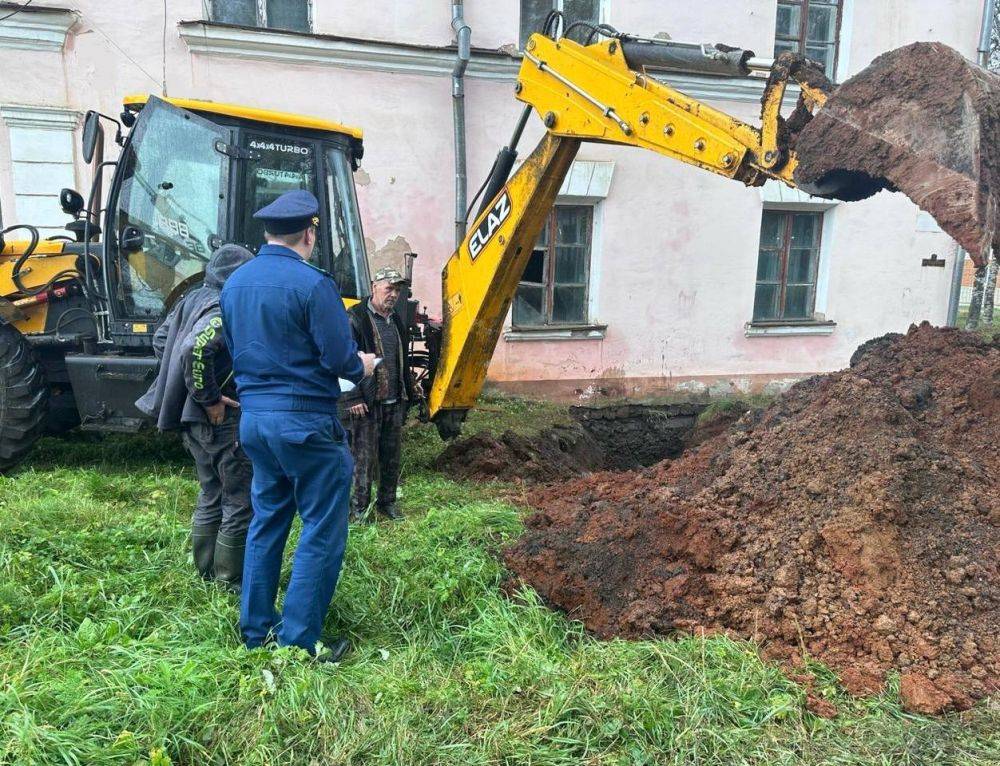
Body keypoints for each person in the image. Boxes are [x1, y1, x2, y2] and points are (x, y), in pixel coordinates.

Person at [221, 189, 376, 662]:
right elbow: (338, 358)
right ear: (309, 233)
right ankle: (300, 640)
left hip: (255, 423)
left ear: (267, 233)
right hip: (305, 422)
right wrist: (363, 365)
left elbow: (233, 348)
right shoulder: (314, 284)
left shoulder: (235, 283)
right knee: (321, 528)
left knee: (267, 522)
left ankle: (256, 631)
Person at [135, 245, 255, 592]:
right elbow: (193, 348)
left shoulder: (191, 298)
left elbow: (163, 341)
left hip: (193, 422)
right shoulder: (222, 305)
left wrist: (185, 385)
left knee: (211, 492)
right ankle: (229, 582)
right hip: (222, 420)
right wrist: (210, 396)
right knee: (238, 498)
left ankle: (204, 573)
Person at [340, 267, 416, 523]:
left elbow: (400, 360)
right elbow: (343, 361)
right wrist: (353, 398)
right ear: (374, 286)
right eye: (389, 288)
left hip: (394, 401)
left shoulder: (396, 321)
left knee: (391, 457)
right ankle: (359, 510)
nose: (393, 294)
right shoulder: (356, 318)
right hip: (367, 402)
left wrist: (408, 388)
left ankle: (387, 503)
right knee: (363, 460)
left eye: (397, 290)